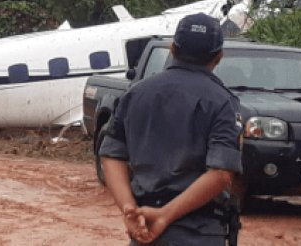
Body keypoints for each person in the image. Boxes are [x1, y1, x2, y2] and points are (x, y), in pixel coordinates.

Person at [99, 13, 243, 246]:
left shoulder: (136, 94)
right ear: (219, 56)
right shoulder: (222, 102)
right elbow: (221, 174)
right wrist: (165, 215)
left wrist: (129, 209)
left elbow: (111, 155)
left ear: (173, 48)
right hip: (198, 232)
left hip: (144, 229)